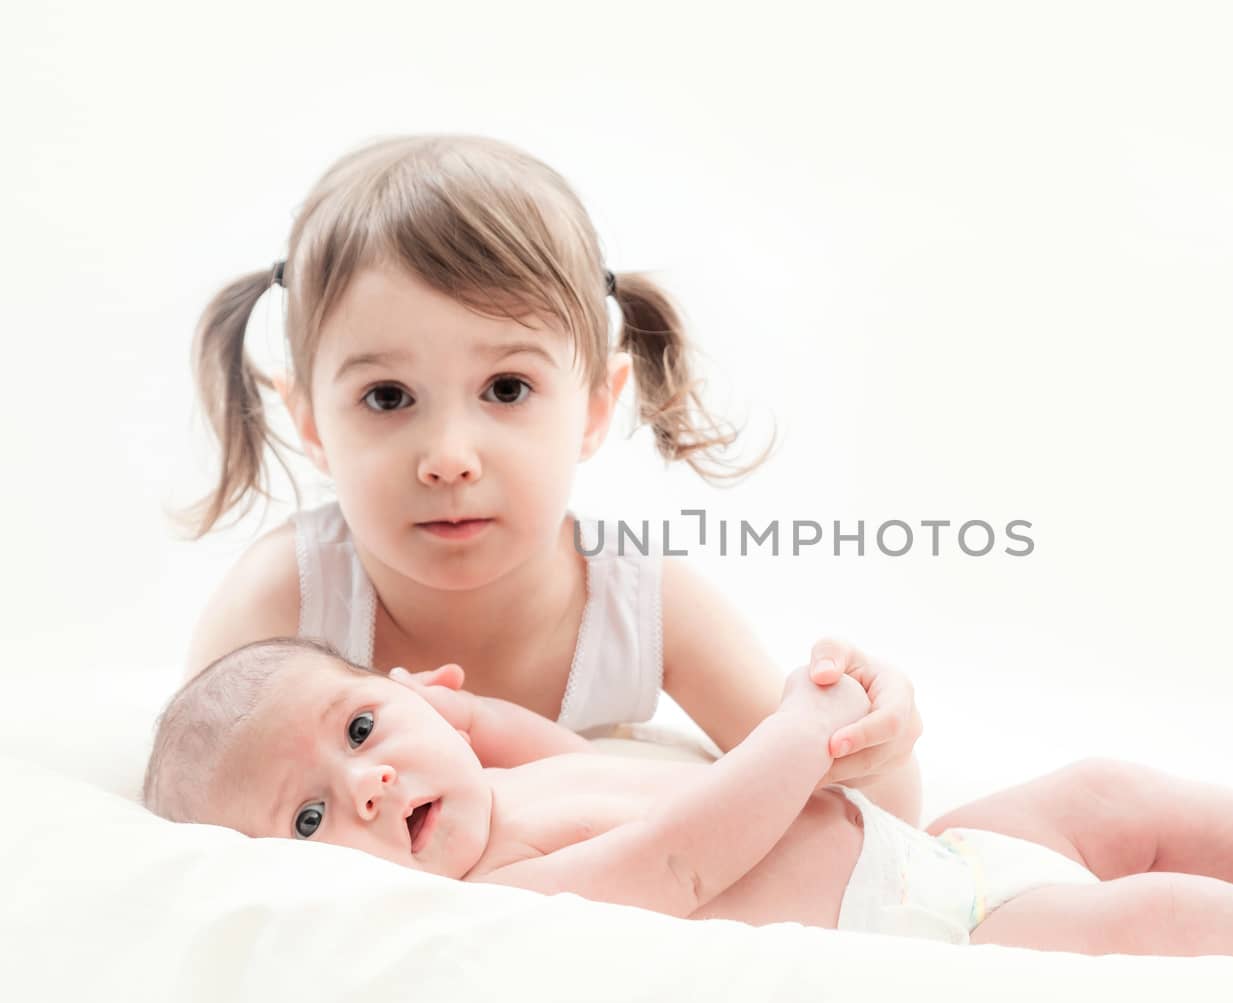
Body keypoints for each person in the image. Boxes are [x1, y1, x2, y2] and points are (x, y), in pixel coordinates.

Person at [181, 133, 923, 823]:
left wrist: (872, 736)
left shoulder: (638, 603)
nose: (449, 456)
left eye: (506, 389)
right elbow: (192, 812)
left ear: (598, 404)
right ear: (310, 420)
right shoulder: (287, 599)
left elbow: (860, 811)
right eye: (387, 397)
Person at [144, 638, 1233, 964]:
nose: (369, 782)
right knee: (1136, 909)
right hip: (949, 927)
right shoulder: (507, 891)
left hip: (933, 849)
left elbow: (518, 732)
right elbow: (683, 855)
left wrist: (467, 712)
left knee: (1105, 789)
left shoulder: (507, 767)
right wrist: (799, 733)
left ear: (423, 688)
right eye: (313, 818)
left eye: (364, 726)